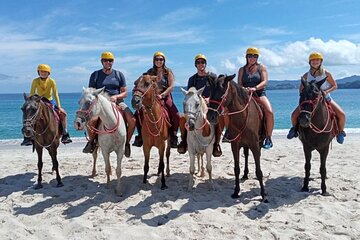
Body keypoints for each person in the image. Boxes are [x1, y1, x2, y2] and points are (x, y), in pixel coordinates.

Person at [83, 51, 136, 157]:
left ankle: (127, 143)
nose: (108, 62)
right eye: (106, 60)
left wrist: (116, 97)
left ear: (113, 62)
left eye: (110, 60)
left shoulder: (119, 75)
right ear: (102, 62)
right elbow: (91, 92)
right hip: (100, 103)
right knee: (91, 121)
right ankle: (92, 142)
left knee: (132, 120)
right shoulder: (95, 75)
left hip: (117, 102)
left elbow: (125, 92)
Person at [287, 52, 346, 144]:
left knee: (342, 114)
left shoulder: (326, 73)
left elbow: (335, 86)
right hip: (311, 100)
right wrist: (305, 96)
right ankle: (294, 130)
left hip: (326, 98)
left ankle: (340, 132)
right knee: (294, 115)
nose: (315, 62)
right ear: (310, 62)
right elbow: (301, 89)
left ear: (321, 61)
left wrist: (326, 92)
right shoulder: (306, 75)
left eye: (317, 60)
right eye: (313, 60)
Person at [177, 53, 223, 157]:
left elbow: (216, 92)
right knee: (182, 119)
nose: (200, 64)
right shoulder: (192, 79)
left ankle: (216, 144)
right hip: (196, 106)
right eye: (198, 62)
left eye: (202, 62)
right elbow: (190, 94)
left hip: (210, 105)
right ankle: (183, 142)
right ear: (195, 65)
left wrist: (208, 98)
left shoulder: (212, 77)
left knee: (220, 119)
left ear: (205, 64)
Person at [134, 51, 180, 148]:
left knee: (176, 114)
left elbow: (171, 86)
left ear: (164, 61)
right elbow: (141, 81)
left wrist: (162, 95)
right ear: (154, 60)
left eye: (161, 59)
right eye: (157, 59)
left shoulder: (168, 72)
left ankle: (174, 136)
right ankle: (140, 136)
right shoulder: (150, 72)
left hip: (164, 95)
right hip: (152, 97)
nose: (159, 61)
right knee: (137, 114)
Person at [21, 64, 72, 146]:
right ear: (38, 72)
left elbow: (56, 94)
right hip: (38, 101)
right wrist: (31, 103)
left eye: (45, 72)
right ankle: (27, 136)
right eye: (41, 72)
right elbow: (32, 93)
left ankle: (65, 134)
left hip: (50, 101)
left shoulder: (52, 81)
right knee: (28, 114)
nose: (43, 73)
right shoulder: (35, 81)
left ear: (48, 73)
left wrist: (59, 106)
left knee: (63, 114)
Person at [236, 47, 274, 149]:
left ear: (257, 58)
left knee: (269, 112)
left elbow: (265, 81)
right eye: (250, 56)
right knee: (229, 109)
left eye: (254, 56)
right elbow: (239, 83)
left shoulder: (261, 68)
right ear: (246, 57)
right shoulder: (241, 70)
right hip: (245, 95)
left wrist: (255, 88)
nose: (252, 58)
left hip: (259, 94)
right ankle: (229, 133)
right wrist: (244, 89)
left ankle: (268, 137)